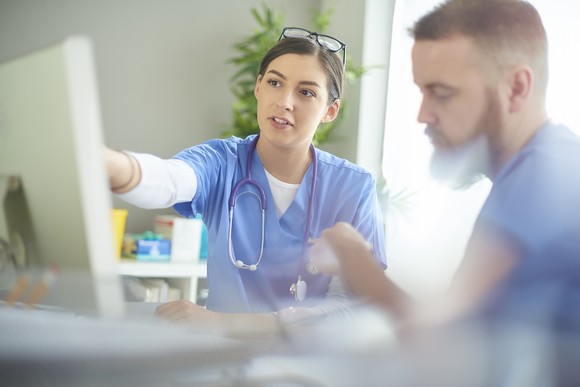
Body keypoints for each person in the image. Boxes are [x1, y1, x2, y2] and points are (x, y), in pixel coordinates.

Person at [310, 0, 580, 348]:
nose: (423, 115)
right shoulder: (549, 161)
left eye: (442, 94)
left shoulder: (546, 173)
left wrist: (354, 257)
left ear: (516, 88)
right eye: (422, 91)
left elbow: (438, 337)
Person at [105, 27, 387, 337]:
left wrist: (224, 323)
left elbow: (354, 310)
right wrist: (108, 164)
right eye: (275, 83)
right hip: (221, 365)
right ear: (258, 88)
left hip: (308, 370)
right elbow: (168, 179)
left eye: (306, 92)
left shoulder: (352, 188)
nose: (284, 102)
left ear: (329, 111)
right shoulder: (221, 161)